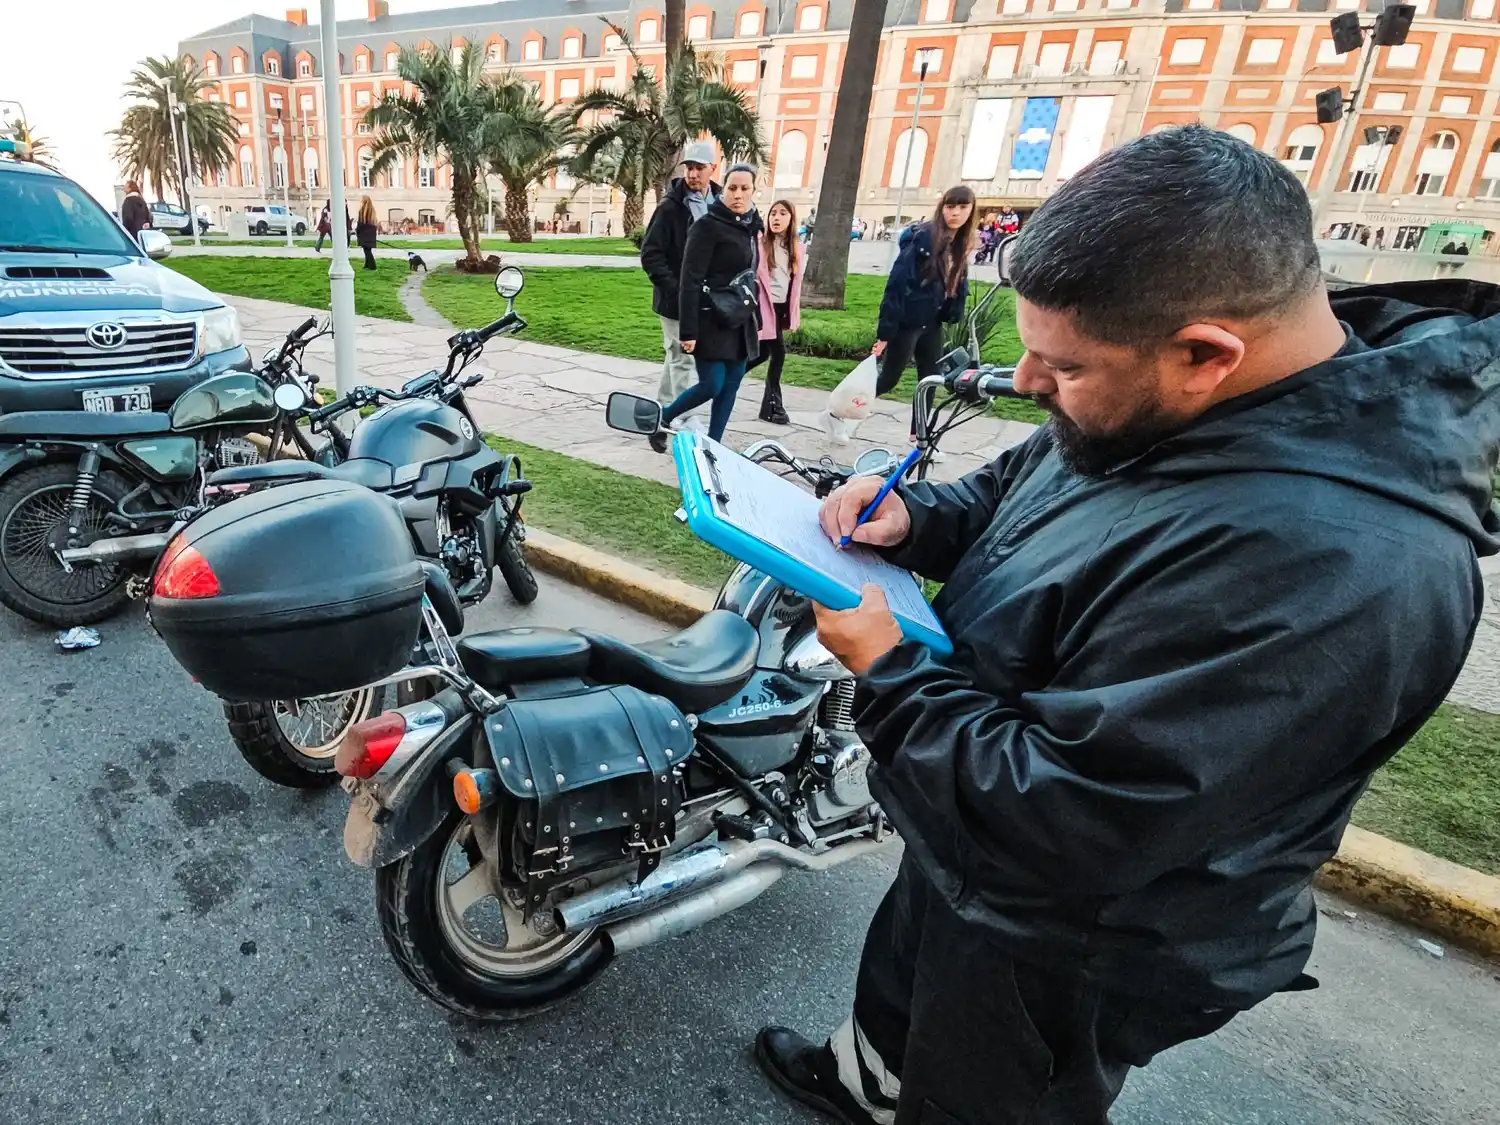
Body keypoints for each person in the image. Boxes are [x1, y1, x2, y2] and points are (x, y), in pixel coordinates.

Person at [751, 124, 1500, 1125]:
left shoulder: (1347, 567)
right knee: (906, 983)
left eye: (1061, 367)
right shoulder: (1170, 398)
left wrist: (888, 674)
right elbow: (1035, 484)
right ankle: (866, 1082)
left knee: (984, 1091)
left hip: (1078, 934)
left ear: (1206, 354)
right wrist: (920, 519)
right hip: (968, 825)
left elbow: (1075, 819)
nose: (1024, 384)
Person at [648, 164, 762, 450]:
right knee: (712, 384)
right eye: (732, 188)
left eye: (744, 188)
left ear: (753, 191)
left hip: (738, 317)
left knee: (732, 382)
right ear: (723, 189)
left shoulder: (751, 225)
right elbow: (689, 279)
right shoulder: (707, 226)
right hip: (709, 316)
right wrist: (688, 330)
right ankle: (662, 419)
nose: (738, 194)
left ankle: (715, 446)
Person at [873, 185, 977, 448]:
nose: (955, 213)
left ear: (972, 210)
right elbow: (896, 283)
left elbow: (956, 284)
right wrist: (885, 332)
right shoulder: (923, 238)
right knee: (888, 378)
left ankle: (919, 436)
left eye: (963, 207)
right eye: (950, 206)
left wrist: (952, 310)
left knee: (930, 378)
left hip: (932, 321)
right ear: (941, 208)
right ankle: (841, 408)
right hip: (908, 320)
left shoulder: (961, 244)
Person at [641, 140, 720, 429]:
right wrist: (675, 288)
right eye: (689, 167)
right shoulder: (670, 207)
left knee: (677, 354)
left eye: (700, 168)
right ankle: (682, 415)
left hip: (707, 299)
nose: (693, 174)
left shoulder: (720, 203)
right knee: (683, 356)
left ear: (713, 169)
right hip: (675, 299)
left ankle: (664, 406)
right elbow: (651, 254)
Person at [748, 199, 804, 426]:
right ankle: (773, 407)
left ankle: (727, 381)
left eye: (782, 213)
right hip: (764, 306)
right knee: (778, 353)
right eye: (773, 213)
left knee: (761, 354)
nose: (776, 218)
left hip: (781, 308)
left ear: (791, 219)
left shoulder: (796, 248)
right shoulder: (760, 243)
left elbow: (795, 284)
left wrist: (792, 314)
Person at [356, 197, 378, 270]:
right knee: (368, 250)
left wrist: (357, 231)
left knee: (366, 251)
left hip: (364, 232)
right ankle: (367, 264)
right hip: (371, 233)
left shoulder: (361, 210)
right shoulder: (372, 210)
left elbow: (360, 223)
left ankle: (372, 266)